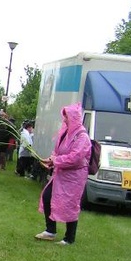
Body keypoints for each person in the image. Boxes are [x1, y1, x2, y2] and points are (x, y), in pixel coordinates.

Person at [35, 103, 91, 245]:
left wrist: (56, 161)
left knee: (71, 204)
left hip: (74, 177)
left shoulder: (82, 136)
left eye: (66, 117)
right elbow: (58, 150)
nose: (64, 120)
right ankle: (50, 230)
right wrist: (50, 159)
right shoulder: (65, 132)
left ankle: (69, 238)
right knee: (47, 196)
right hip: (61, 174)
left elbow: (75, 157)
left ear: (74, 118)